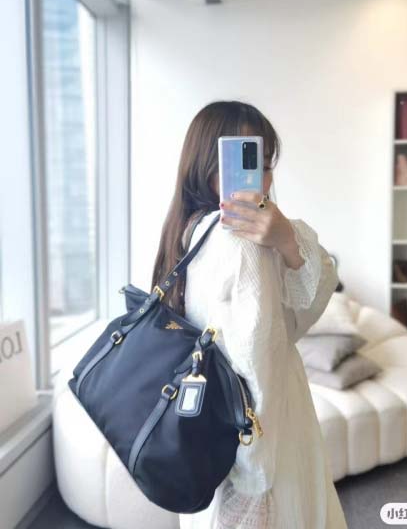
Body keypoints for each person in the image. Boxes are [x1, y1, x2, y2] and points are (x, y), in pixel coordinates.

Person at [151, 100, 348, 529]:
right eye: (244, 160)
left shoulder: (190, 232)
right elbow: (257, 365)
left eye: (265, 162)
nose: (262, 177)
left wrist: (285, 239)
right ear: (209, 166)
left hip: (211, 436)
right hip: (261, 449)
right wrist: (255, 483)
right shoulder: (240, 243)